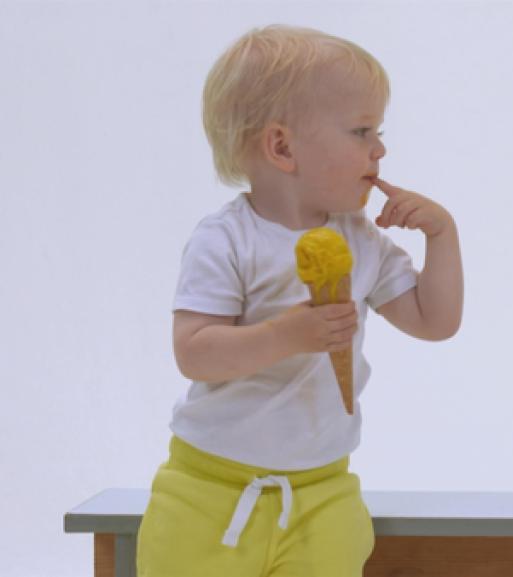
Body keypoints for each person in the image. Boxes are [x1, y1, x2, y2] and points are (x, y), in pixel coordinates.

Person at [136, 25, 463, 577]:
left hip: (321, 492)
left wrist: (442, 236)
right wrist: (286, 335)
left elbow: (435, 322)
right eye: (362, 131)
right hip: (208, 490)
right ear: (282, 147)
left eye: (377, 131)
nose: (379, 149)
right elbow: (194, 352)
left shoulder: (361, 240)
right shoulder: (226, 239)